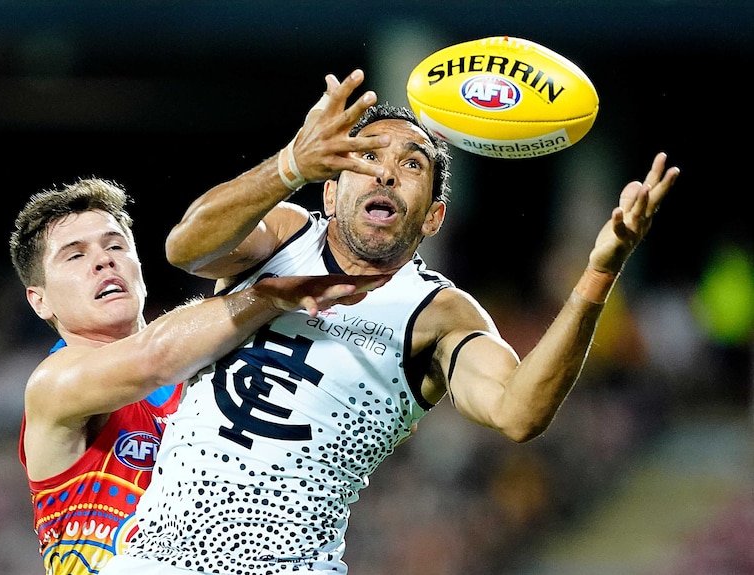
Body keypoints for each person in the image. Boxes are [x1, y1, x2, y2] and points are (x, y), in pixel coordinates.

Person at [100, 69, 680, 574]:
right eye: (367, 155)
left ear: (433, 218)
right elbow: (185, 248)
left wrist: (597, 276)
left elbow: (518, 411)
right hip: (150, 557)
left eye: (411, 165)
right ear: (330, 192)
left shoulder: (439, 313)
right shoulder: (279, 235)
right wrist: (287, 166)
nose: (385, 172)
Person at [9, 177, 389, 575]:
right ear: (41, 301)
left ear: (139, 266)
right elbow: (153, 356)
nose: (104, 261)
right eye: (75, 256)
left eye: (115, 245)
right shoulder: (52, 385)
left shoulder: (211, 375)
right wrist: (267, 295)